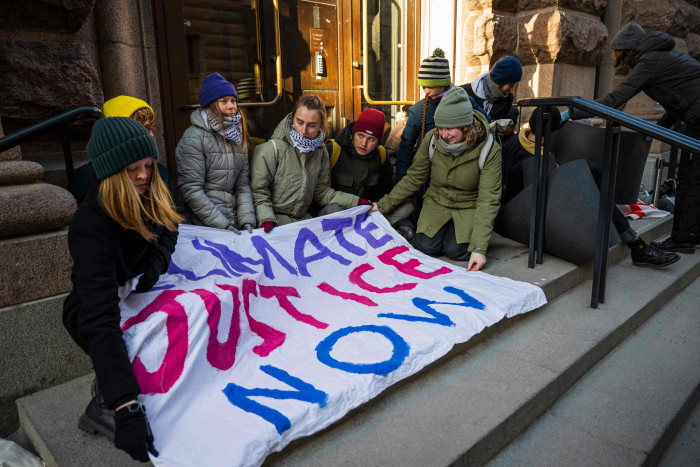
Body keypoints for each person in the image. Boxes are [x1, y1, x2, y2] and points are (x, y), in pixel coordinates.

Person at [63, 117, 183, 461]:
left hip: (140, 292)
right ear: (111, 172)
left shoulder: (149, 189)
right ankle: (106, 400)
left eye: (148, 165)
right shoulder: (90, 226)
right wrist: (126, 406)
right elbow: (100, 320)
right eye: (133, 169)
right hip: (94, 309)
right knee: (131, 348)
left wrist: (156, 264)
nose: (144, 175)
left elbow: (169, 228)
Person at [569, 22, 700, 254]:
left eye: (614, 51)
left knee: (689, 179)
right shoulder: (664, 56)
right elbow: (678, 100)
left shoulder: (650, 61)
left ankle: (683, 238)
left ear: (624, 49)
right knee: (693, 177)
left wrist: (570, 112)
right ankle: (690, 233)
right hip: (695, 118)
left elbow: (614, 100)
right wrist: (658, 129)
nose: (613, 56)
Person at [502, 106, 679, 268]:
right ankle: (635, 244)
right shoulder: (534, 160)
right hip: (527, 210)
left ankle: (632, 240)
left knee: (594, 173)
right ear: (553, 132)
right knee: (594, 187)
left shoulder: (520, 138)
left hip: (530, 197)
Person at [370, 87, 502, 271]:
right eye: (440, 127)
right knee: (426, 247)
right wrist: (383, 205)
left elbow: (489, 198)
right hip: (437, 202)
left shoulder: (489, 148)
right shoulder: (432, 140)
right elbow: (413, 178)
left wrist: (479, 248)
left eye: (449, 128)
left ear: (465, 126)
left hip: (469, 205)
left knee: (455, 251)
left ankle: (472, 235)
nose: (443, 134)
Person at [250, 95, 370, 232]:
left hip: (303, 220)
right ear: (292, 119)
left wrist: (356, 202)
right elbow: (258, 193)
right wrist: (266, 219)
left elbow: (322, 192)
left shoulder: (320, 151)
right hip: (275, 222)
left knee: (338, 214)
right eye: (299, 122)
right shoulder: (271, 149)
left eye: (312, 125)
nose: (303, 131)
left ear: (321, 126)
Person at [69, 95, 185, 220]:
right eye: (143, 130)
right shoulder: (88, 177)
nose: (151, 135)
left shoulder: (159, 171)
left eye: (151, 129)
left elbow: (178, 214)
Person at [176, 72, 256, 233]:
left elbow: (242, 186)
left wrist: (247, 219)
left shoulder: (238, 136)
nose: (231, 106)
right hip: (205, 223)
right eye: (224, 101)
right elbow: (191, 190)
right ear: (211, 104)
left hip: (234, 221)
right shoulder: (194, 137)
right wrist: (222, 224)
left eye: (233, 100)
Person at [320, 108, 414, 237]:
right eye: (360, 136)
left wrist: (375, 207)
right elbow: (320, 193)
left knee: (408, 205)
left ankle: (362, 230)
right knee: (334, 210)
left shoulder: (381, 155)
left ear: (378, 142)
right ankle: (367, 230)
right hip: (338, 213)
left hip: (367, 212)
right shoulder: (332, 150)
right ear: (353, 133)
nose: (363, 143)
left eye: (371, 139)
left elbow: (385, 190)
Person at [461, 55, 522, 125]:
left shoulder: (507, 98)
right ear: (501, 81)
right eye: (511, 84)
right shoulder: (464, 92)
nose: (512, 89)